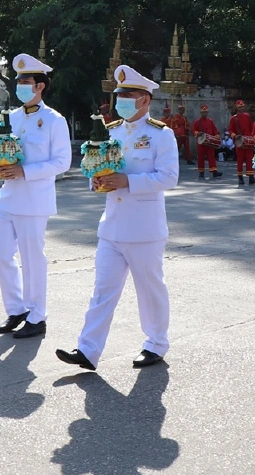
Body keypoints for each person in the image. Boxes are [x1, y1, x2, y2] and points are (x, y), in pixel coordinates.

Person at [55, 65, 179, 371]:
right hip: (111, 225)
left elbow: (169, 177)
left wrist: (128, 182)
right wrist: (96, 181)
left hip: (145, 227)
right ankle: (88, 350)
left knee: (149, 289)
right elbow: (95, 169)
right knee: (103, 289)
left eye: (128, 95)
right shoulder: (109, 132)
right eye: (118, 95)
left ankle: (155, 343)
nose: (120, 100)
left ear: (145, 100)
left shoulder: (161, 134)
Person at [0, 54, 73, 339]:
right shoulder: (11, 118)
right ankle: (16, 309)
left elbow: (62, 162)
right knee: (1, 253)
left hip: (35, 199)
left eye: (26, 82)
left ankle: (37, 316)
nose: (21, 87)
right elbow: (1, 151)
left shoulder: (54, 120)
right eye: (19, 82)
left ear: (40, 86)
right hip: (8, 197)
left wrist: (24, 172)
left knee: (32, 259)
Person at [228, 99, 255, 186]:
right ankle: (240, 178)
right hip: (239, 141)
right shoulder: (233, 118)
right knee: (240, 160)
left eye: (242, 107)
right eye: (239, 107)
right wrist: (235, 136)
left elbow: (251, 127)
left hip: (248, 141)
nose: (241, 109)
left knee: (250, 160)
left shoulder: (247, 116)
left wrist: (252, 137)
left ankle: (251, 177)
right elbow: (230, 130)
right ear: (236, 108)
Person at [192, 104, 221, 179]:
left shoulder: (210, 121)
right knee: (201, 157)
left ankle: (214, 171)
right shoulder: (197, 122)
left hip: (209, 142)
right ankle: (201, 172)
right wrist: (198, 133)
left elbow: (215, 130)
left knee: (211, 156)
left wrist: (216, 137)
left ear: (207, 113)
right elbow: (194, 130)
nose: (204, 113)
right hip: (201, 142)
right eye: (203, 112)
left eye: (206, 112)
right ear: (201, 113)